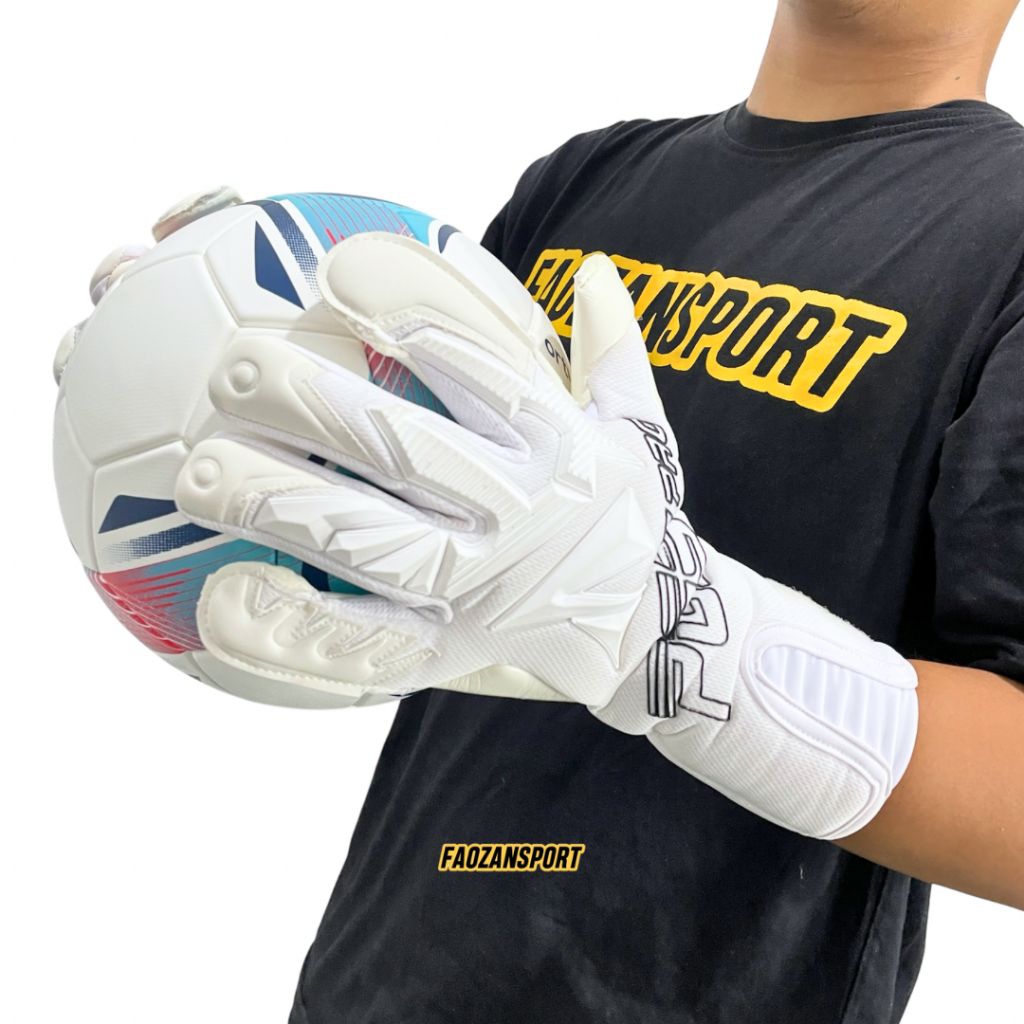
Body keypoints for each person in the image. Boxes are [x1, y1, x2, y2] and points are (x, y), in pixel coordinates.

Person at [203, 1, 1024, 1020]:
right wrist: (199, 367)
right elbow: (423, 546)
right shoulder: (587, 177)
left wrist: (667, 632)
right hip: (366, 982)